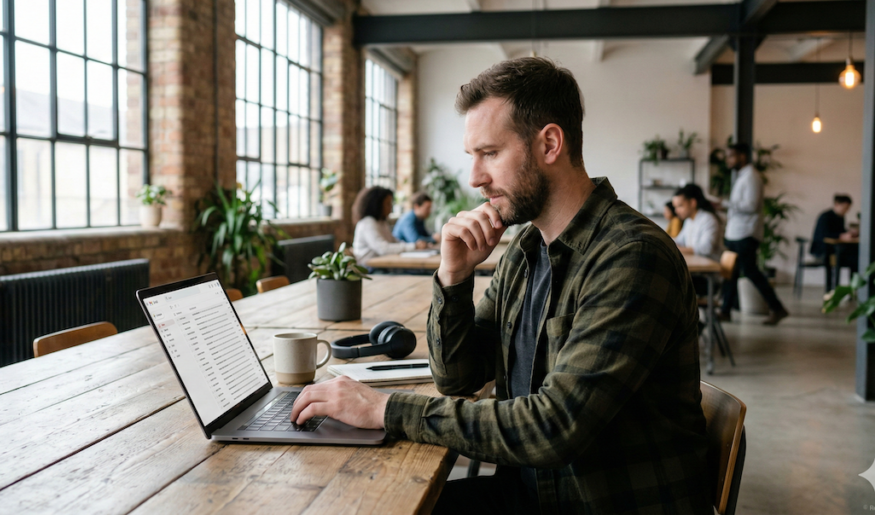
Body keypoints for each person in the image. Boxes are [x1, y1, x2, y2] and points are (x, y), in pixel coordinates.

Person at [291, 57, 710, 514]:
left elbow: (554, 427)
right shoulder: (526, 248)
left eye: (489, 153)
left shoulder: (631, 256)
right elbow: (458, 378)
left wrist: (384, 410)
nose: (474, 178)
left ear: (549, 144)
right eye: (473, 156)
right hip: (532, 493)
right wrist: (454, 277)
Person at [719, 143, 789, 325]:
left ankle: (777, 308)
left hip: (746, 233)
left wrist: (725, 205)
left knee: (751, 272)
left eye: (731, 156)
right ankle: (725, 310)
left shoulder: (751, 177)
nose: (728, 160)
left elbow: (751, 205)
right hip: (736, 233)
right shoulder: (743, 176)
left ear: (742, 156)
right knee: (730, 273)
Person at [352, 186, 428, 267]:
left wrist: (413, 246)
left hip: (382, 264)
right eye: (388, 204)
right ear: (377, 204)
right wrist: (413, 246)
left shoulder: (381, 222)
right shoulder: (367, 223)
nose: (391, 208)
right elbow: (383, 249)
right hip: (368, 268)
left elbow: (393, 241)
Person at [811, 194, 858, 291]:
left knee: (855, 256)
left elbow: (841, 231)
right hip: (823, 249)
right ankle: (832, 289)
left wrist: (849, 233)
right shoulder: (825, 216)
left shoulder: (841, 217)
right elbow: (824, 234)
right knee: (844, 255)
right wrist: (841, 236)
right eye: (844, 207)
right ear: (837, 204)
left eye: (848, 208)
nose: (846, 210)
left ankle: (853, 288)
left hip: (836, 248)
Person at [673, 184, 722, 261]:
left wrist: (676, 249)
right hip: (697, 264)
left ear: (693, 203)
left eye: (680, 206)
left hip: (709, 268)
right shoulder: (689, 220)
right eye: (675, 207)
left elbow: (706, 249)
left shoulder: (708, 219)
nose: (676, 211)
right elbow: (679, 241)